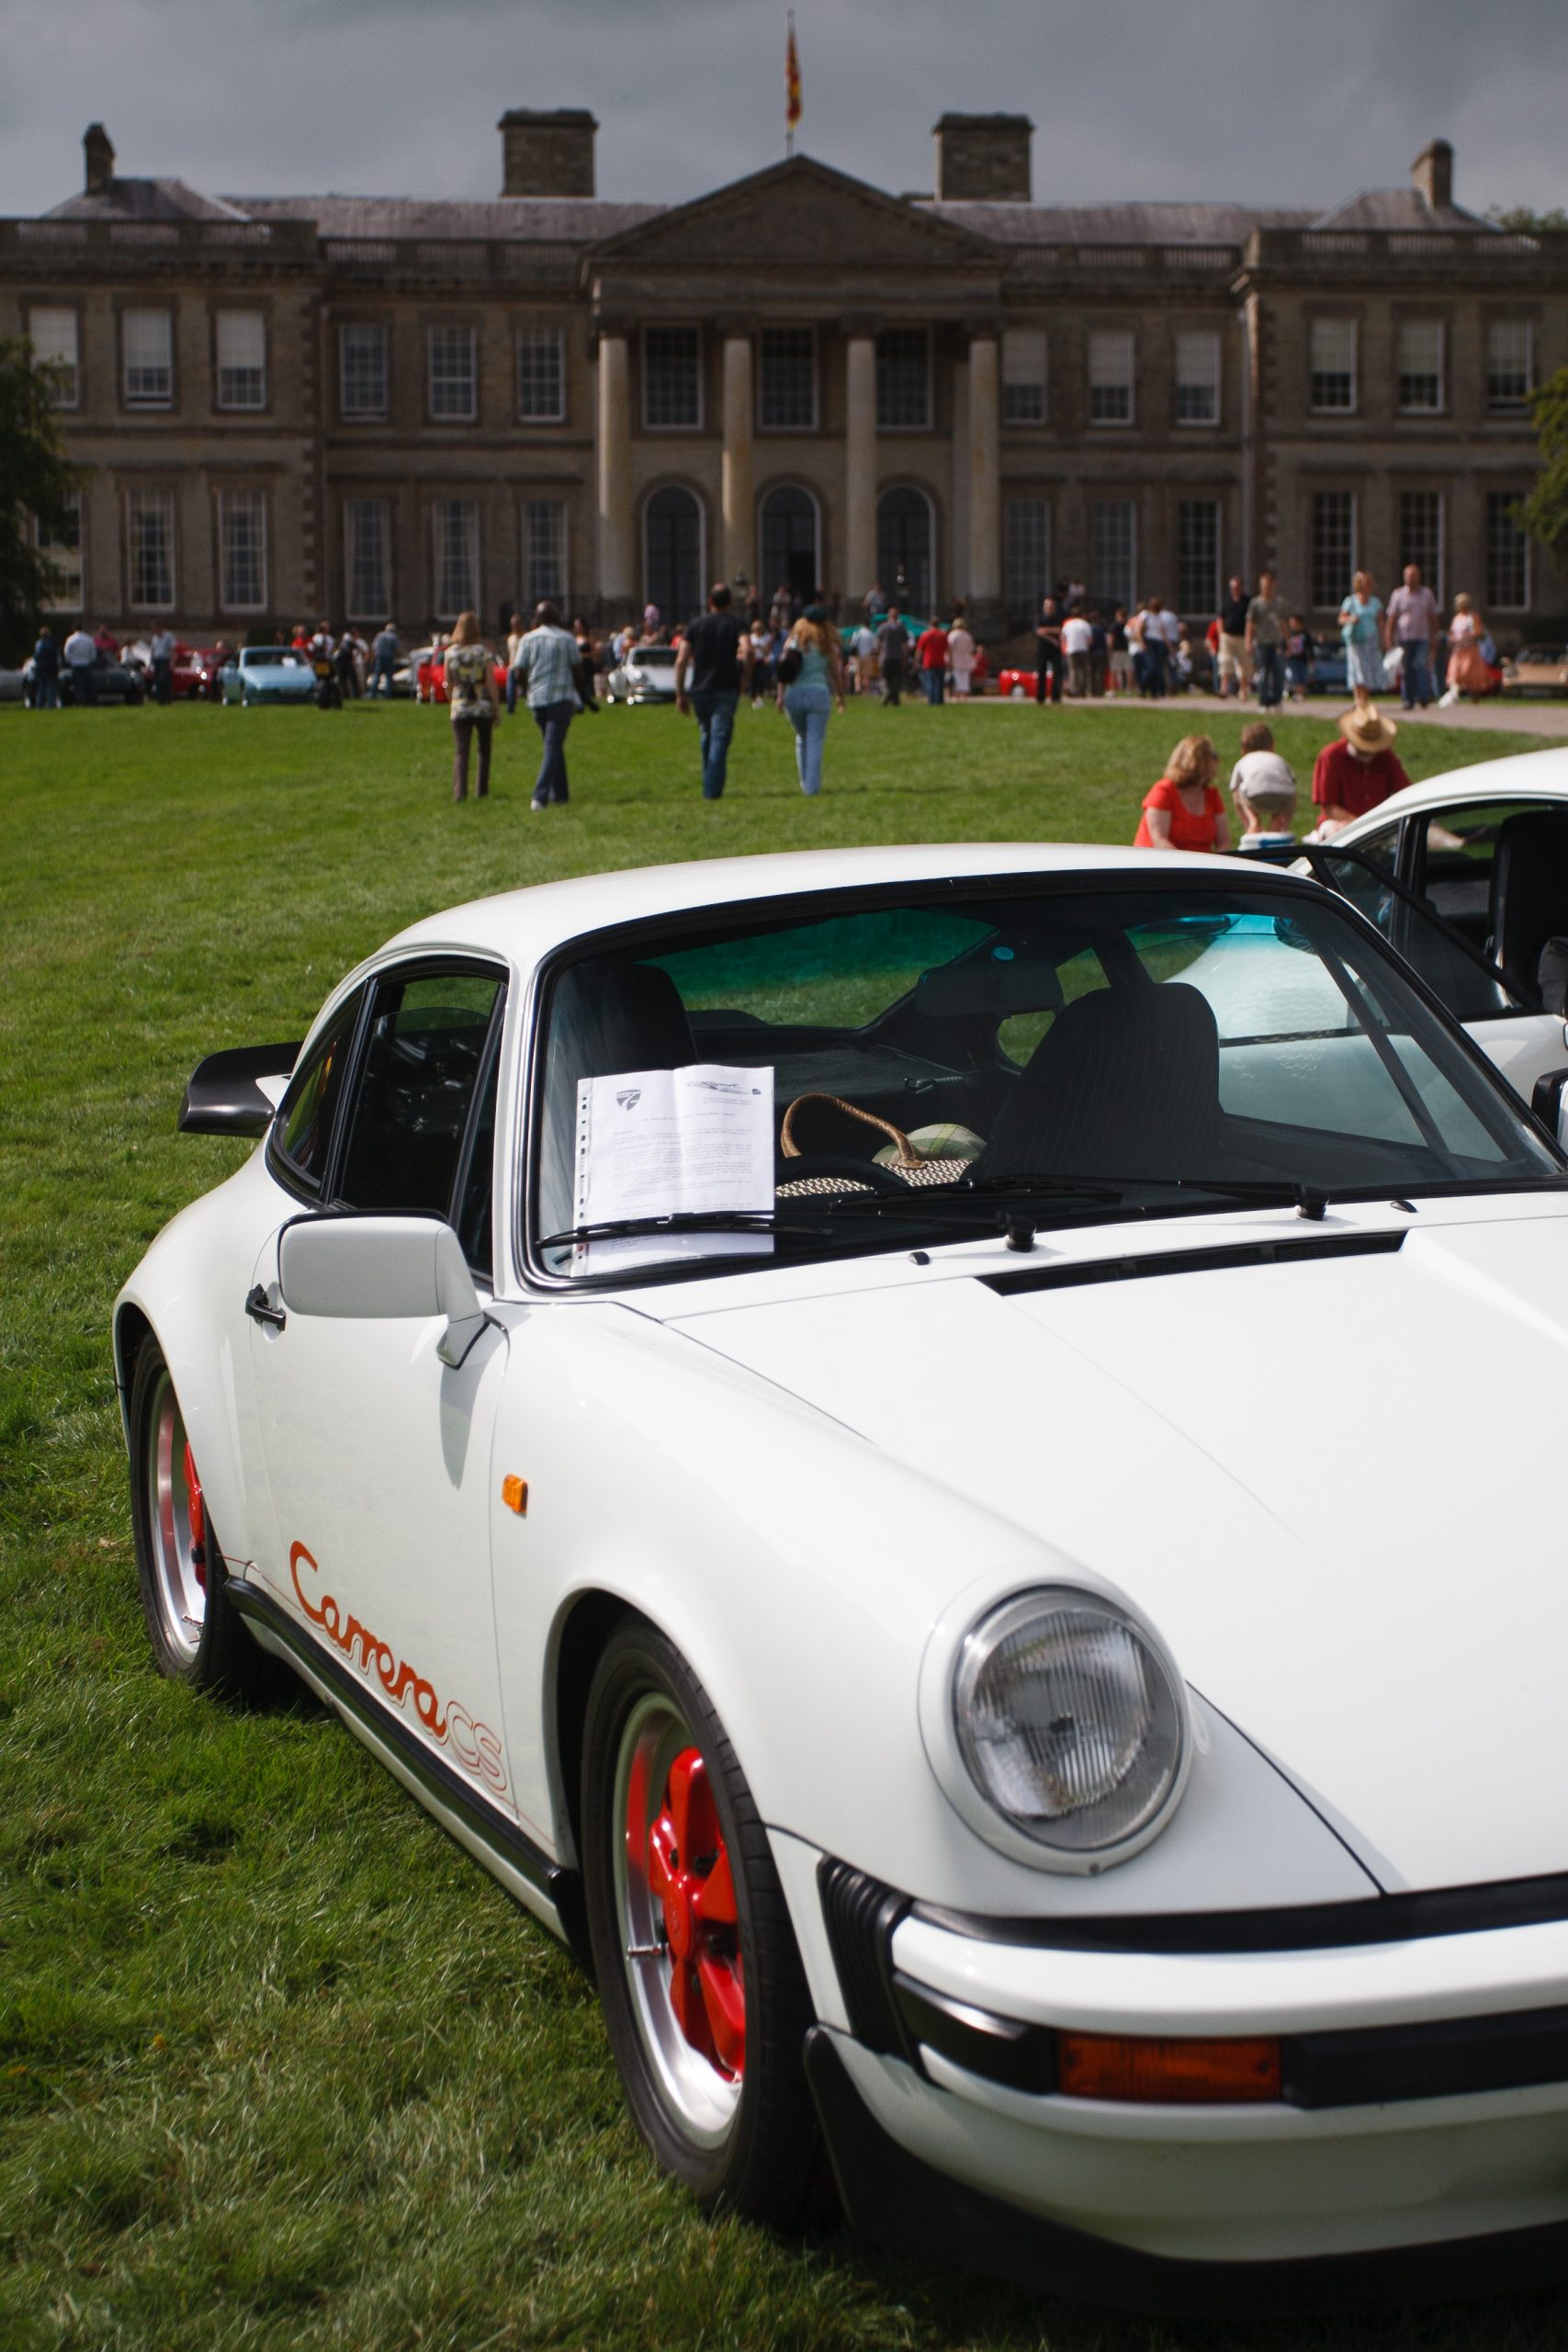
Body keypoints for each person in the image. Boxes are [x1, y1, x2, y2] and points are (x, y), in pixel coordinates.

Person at [673, 582, 751, 801]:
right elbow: (748, 649)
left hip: (700, 689)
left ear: (710, 602)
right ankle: (711, 790)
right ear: (729, 603)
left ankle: (710, 782)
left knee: (707, 735)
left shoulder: (695, 625)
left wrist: (680, 693)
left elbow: (681, 660)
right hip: (726, 687)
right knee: (719, 738)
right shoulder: (737, 624)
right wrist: (746, 677)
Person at [512, 598, 581, 809]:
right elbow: (577, 669)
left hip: (538, 699)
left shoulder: (528, 639)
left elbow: (519, 670)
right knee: (552, 746)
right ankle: (540, 796)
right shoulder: (567, 639)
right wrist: (578, 691)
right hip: (560, 698)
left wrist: (526, 688)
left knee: (552, 744)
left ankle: (560, 794)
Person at [1309, 698, 1410, 833]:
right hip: (1340, 822)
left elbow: (1405, 793)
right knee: (1336, 830)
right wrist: (1362, 826)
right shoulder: (1331, 756)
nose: (1369, 751)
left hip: (1379, 823)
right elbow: (1329, 808)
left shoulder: (1386, 756)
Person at [778, 604, 846, 796]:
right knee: (815, 740)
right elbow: (835, 674)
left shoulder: (793, 642)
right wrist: (840, 696)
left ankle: (804, 783)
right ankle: (812, 787)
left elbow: (783, 669)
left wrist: (780, 695)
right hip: (818, 694)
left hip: (794, 694)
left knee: (802, 738)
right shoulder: (827, 645)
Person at [1134, 734, 1229, 853]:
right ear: (1199, 761)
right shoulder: (1164, 791)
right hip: (1160, 865)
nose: (1217, 761)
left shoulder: (1212, 795)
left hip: (1200, 867)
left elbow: (1224, 842)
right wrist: (1190, 867)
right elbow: (1159, 840)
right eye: (1213, 755)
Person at [441, 612, 499, 801]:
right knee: (484, 749)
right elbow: (490, 681)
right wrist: (496, 706)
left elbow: (445, 681)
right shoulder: (482, 652)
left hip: (460, 704)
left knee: (461, 750)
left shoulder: (449, 653)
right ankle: (481, 790)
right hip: (482, 704)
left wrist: (451, 697)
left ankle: (459, 792)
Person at [1228, 720, 1298, 849]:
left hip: (1254, 797)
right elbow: (1292, 780)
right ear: (1272, 746)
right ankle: (1279, 821)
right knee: (1291, 791)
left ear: (1243, 750)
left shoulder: (1243, 761)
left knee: (1238, 792)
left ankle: (1252, 822)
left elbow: (1234, 787)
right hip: (1283, 798)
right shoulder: (1279, 759)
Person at [1384, 564, 1438, 710]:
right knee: (1406, 669)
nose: (1411, 578)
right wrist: (1388, 638)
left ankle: (1423, 697)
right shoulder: (1397, 595)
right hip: (1403, 638)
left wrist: (1435, 637)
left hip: (1422, 637)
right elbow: (1391, 618)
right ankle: (1408, 699)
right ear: (1404, 577)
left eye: (1414, 575)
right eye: (1409, 576)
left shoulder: (1427, 594)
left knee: (1420, 665)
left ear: (1419, 577)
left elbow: (1433, 618)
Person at [1440, 593, 1498, 703]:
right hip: (1458, 651)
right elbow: (1452, 632)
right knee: (1454, 673)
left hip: (1469, 650)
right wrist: (1452, 640)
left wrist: (1465, 639)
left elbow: (1476, 633)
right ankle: (1454, 695)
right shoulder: (1456, 618)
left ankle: (1475, 699)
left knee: (1470, 675)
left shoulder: (1471, 618)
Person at [1246, 571, 1290, 708]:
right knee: (1263, 673)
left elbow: (1283, 624)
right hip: (1261, 643)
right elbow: (1250, 624)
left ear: (1274, 586)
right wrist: (1248, 642)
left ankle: (1276, 700)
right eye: (1264, 586)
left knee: (1278, 671)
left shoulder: (1279, 603)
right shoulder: (1255, 604)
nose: (1267, 589)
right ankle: (1263, 701)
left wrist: (1288, 642)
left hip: (1277, 642)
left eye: (1269, 586)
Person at [1337, 571, 1386, 695]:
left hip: (1371, 640)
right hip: (1356, 640)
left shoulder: (1375, 602)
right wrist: (1350, 619)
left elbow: (1381, 622)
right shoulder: (1350, 601)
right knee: (1357, 668)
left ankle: (1365, 698)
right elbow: (1341, 619)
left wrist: (1384, 639)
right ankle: (1358, 699)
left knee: (1368, 669)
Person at [1217, 576, 1251, 699]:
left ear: (1241, 587)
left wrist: (1250, 638)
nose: (1234, 589)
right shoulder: (1227, 601)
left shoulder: (1248, 602)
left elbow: (1251, 621)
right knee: (1225, 661)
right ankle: (1224, 689)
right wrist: (1220, 633)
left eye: (1236, 587)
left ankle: (1243, 690)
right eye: (1232, 587)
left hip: (1242, 637)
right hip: (1227, 636)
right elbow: (1220, 617)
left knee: (1244, 663)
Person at [1034, 595, 1064, 705]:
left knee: (1057, 674)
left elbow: (1060, 630)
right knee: (1041, 673)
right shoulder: (1040, 619)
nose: (1049, 608)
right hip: (1043, 649)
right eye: (1047, 606)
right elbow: (1039, 632)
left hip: (1055, 650)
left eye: (1051, 606)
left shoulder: (1058, 619)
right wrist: (1052, 637)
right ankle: (1040, 697)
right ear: (1044, 607)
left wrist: (1046, 630)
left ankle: (1055, 696)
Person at [875, 606, 908, 705]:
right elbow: (904, 645)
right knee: (895, 678)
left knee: (884, 677)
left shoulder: (883, 627)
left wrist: (877, 654)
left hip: (885, 656)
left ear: (889, 615)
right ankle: (894, 697)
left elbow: (878, 643)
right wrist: (904, 657)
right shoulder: (900, 628)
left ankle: (887, 693)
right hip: (897, 657)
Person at [915, 616, 949, 705]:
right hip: (940, 661)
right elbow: (948, 649)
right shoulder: (943, 635)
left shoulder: (925, 635)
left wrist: (916, 662)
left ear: (930, 624)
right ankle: (939, 700)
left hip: (929, 661)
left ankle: (932, 700)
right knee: (940, 683)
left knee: (930, 682)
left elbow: (919, 650)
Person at [1061, 605, 1094, 697]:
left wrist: (1064, 648)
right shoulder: (1085, 624)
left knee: (1073, 671)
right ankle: (1083, 690)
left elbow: (1063, 638)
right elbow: (1089, 639)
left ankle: (1073, 690)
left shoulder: (1067, 624)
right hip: (1083, 649)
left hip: (1071, 650)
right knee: (1084, 671)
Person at [63, 622, 96, 706]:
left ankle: (80, 701)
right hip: (86, 663)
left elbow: (67, 653)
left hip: (75, 664)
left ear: (74, 629)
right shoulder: (88, 639)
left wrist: (70, 661)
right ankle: (90, 701)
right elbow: (93, 653)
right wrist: (90, 660)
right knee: (89, 684)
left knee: (78, 685)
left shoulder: (71, 639)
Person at [1284, 616, 1314, 700]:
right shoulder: (1289, 634)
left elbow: (1309, 647)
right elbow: (1284, 645)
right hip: (1293, 659)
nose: (1292, 624)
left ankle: (1301, 694)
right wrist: (1286, 653)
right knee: (1295, 676)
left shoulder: (1305, 634)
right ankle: (1297, 694)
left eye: (1293, 622)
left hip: (1303, 658)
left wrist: (1311, 659)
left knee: (1303, 676)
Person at [31, 624, 60, 710]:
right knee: (51, 686)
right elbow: (56, 656)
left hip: (41, 667)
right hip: (51, 667)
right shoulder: (53, 643)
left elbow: (36, 656)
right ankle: (51, 704)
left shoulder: (39, 643)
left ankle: (39, 704)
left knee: (41, 687)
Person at [946, 616, 976, 699]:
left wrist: (949, 659)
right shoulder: (967, 635)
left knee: (957, 676)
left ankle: (958, 694)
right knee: (965, 676)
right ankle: (964, 694)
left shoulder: (953, 635)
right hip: (966, 658)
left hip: (956, 658)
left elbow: (949, 648)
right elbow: (971, 648)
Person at [849, 616, 879, 695]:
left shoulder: (857, 633)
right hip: (867, 656)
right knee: (866, 675)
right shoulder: (871, 634)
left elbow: (852, 644)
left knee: (857, 674)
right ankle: (866, 691)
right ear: (869, 625)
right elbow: (874, 647)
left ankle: (857, 689)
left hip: (856, 656)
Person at [1107, 607, 1134, 695]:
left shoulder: (1114, 626)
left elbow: (1111, 638)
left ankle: (1113, 690)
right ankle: (1129, 689)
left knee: (1114, 670)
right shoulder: (1128, 625)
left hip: (1116, 650)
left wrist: (1109, 650)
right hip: (1126, 650)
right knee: (1128, 670)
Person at [370, 620, 399, 699]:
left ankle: (373, 694)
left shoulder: (379, 635)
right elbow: (396, 649)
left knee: (376, 676)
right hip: (389, 658)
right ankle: (388, 695)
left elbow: (374, 647)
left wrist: (373, 658)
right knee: (389, 677)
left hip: (379, 657)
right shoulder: (393, 637)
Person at [504, 611, 525, 713]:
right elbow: (510, 653)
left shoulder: (526, 638)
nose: (514, 626)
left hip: (523, 667)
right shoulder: (510, 638)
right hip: (512, 667)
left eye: (516, 624)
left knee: (527, 690)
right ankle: (510, 709)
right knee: (510, 690)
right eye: (512, 624)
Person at [149, 624, 175, 705]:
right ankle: (161, 700)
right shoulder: (154, 638)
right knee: (157, 681)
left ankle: (168, 699)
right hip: (157, 661)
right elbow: (153, 651)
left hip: (165, 660)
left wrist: (172, 661)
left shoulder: (168, 636)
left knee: (163, 680)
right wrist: (150, 663)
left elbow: (172, 648)